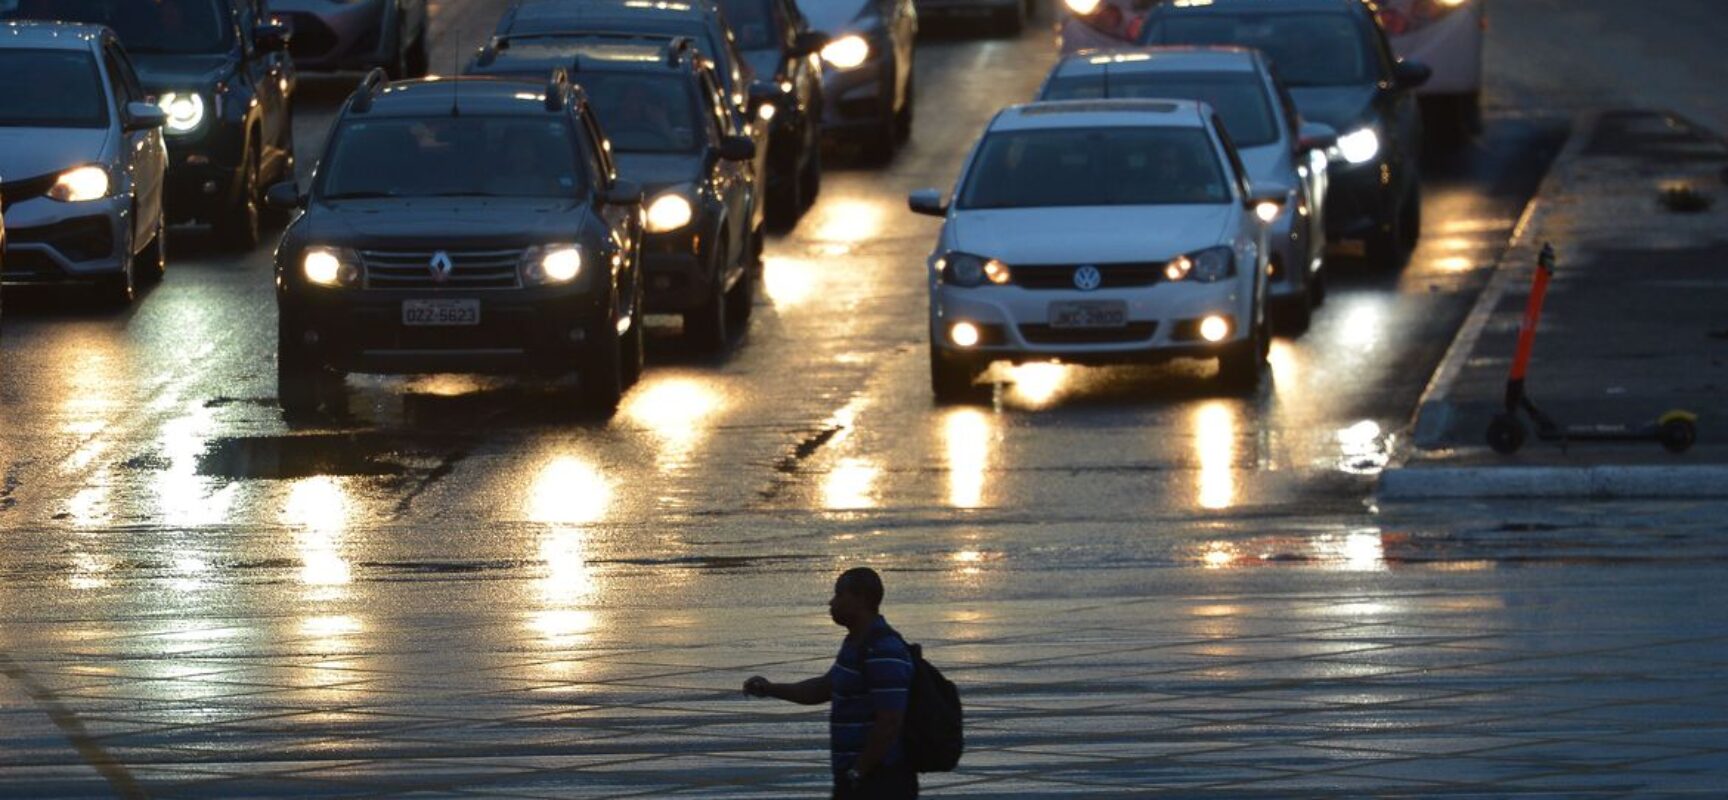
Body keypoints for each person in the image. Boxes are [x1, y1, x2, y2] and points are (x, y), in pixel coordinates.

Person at [744, 568, 918, 799]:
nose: (831, 602)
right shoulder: (856, 643)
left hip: (880, 780)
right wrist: (770, 688)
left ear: (861, 599)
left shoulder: (883, 649)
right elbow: (823, 688)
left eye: (839, 594)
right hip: (856, 777)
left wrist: (859, 771)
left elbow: (890, 722)